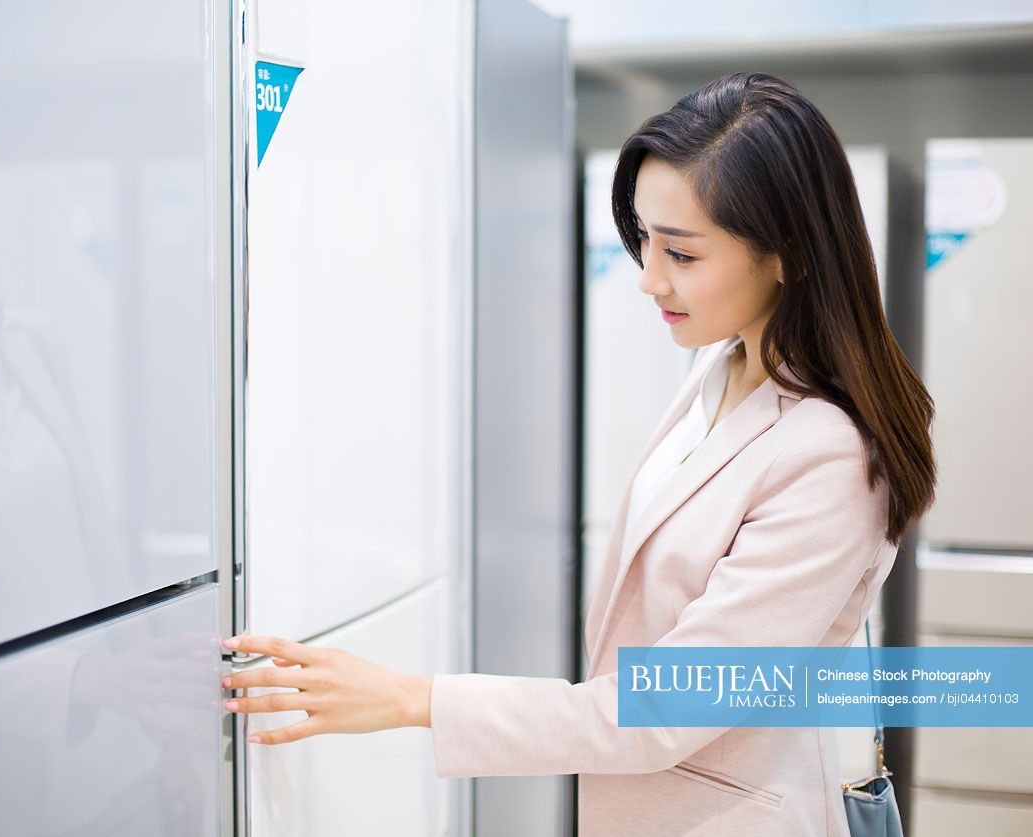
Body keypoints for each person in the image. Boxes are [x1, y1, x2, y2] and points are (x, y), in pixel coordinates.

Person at [220, 71, 936, 836]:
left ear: (787, 255)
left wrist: (410, 698)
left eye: (683, 255)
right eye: (642, 239)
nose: (648, 278)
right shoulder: (719, 368)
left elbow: (666, 709)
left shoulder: (829, 456)